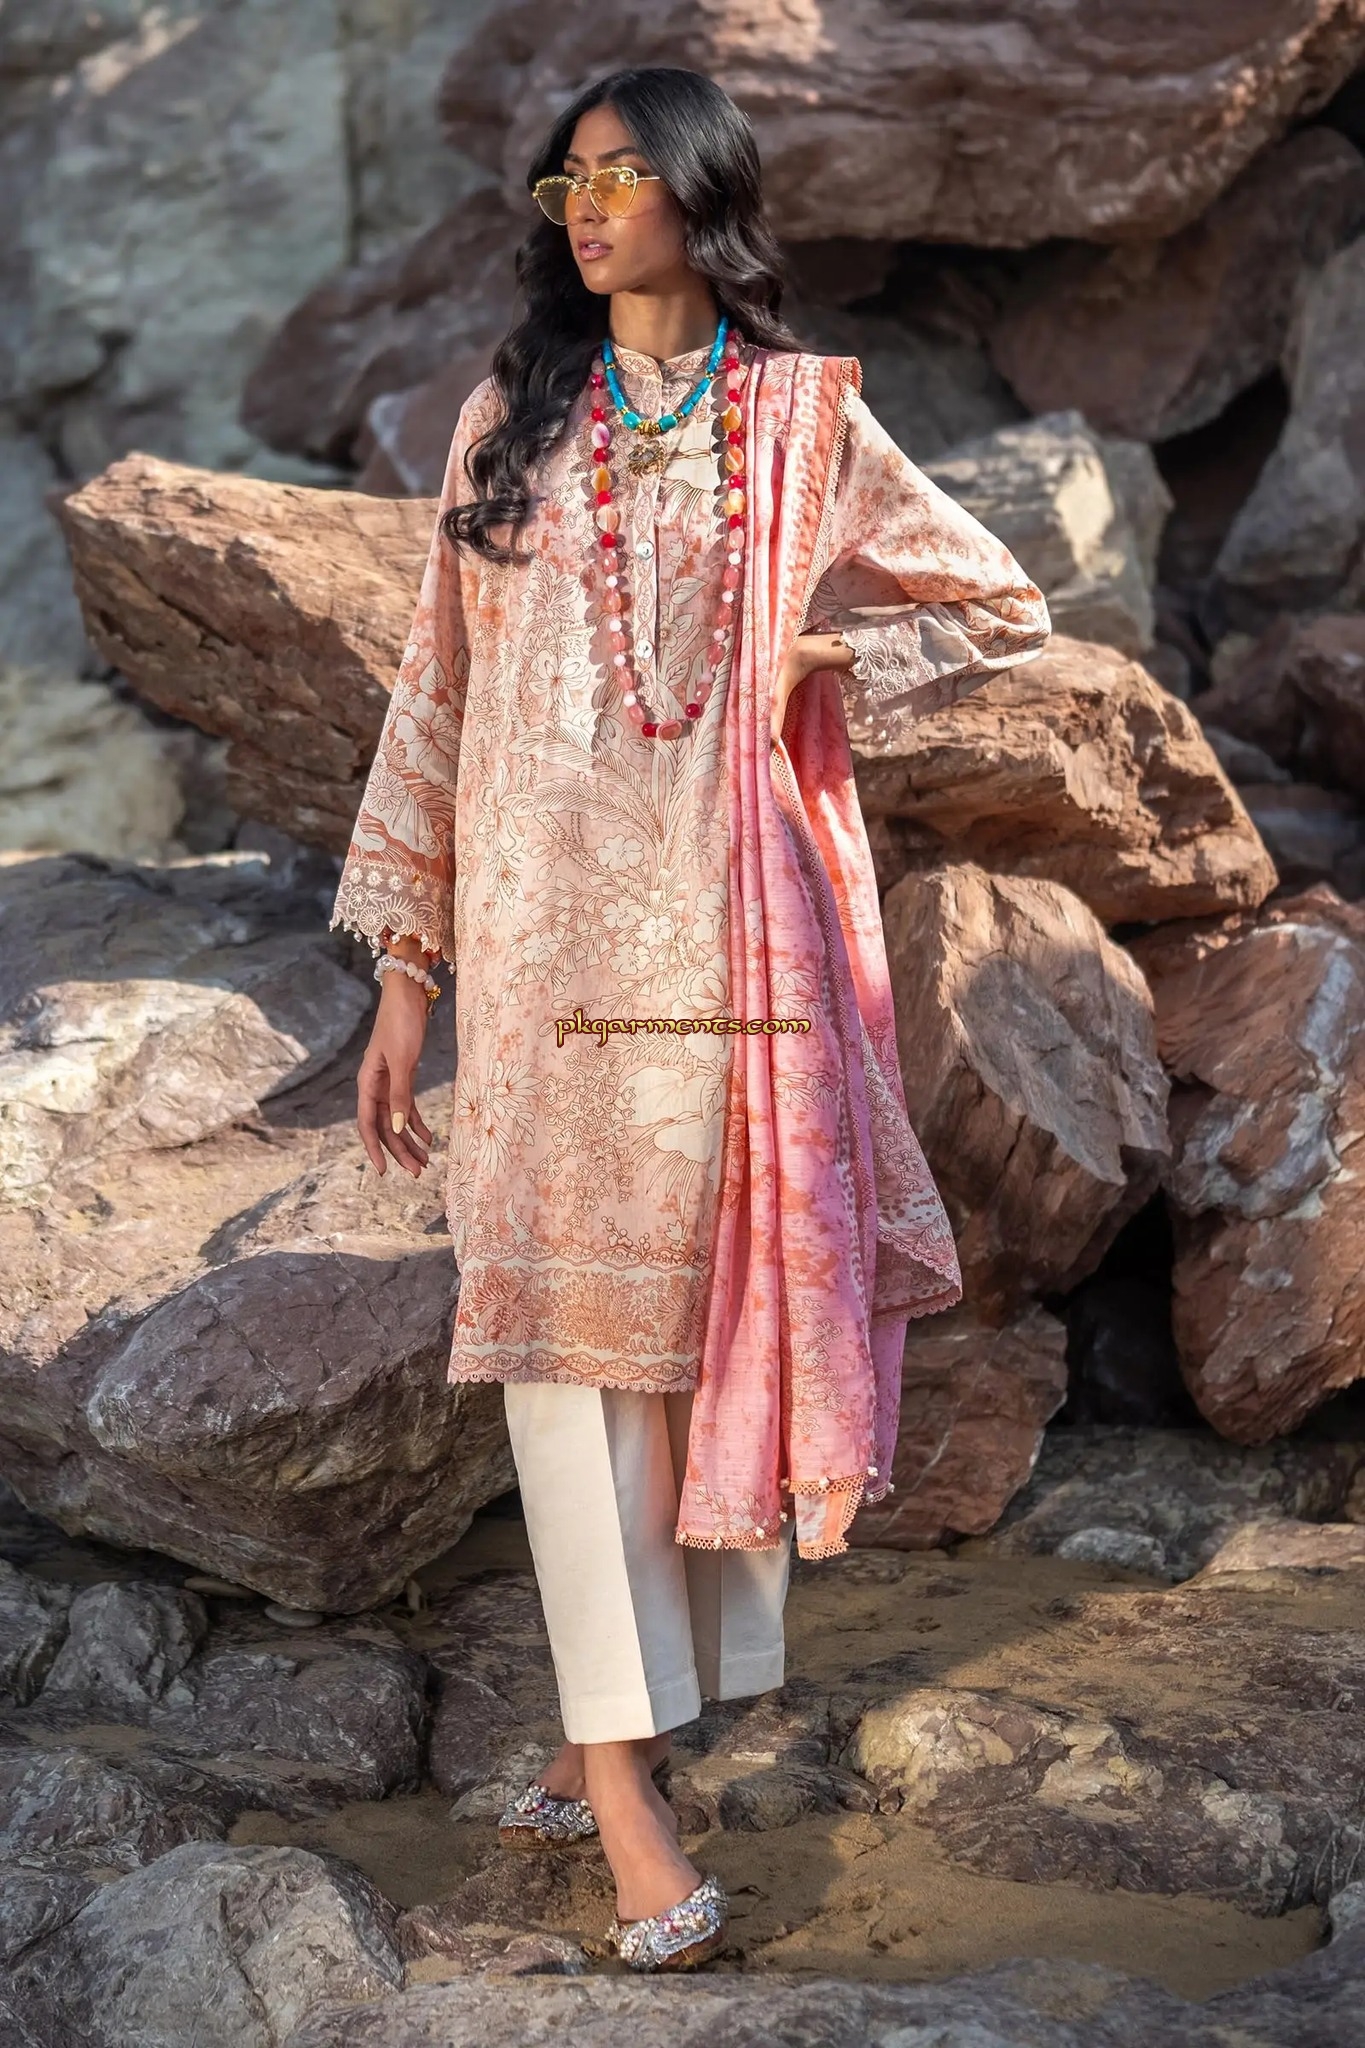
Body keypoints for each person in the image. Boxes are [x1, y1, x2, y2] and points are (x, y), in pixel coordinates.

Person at [331, 64, 1050, 1971]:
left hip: (734, 962)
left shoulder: (801, 419)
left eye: (624, 174)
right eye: (567, 180)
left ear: (701, 195)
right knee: (567, 1354)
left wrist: (834, 651)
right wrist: (407, 973)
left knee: (682, 1344)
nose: (587, 207)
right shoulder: (512, 415)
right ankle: (625, 1785)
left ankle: (608, 1735)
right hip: (540, 964)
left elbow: (997, 608)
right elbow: (433, 698)